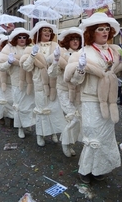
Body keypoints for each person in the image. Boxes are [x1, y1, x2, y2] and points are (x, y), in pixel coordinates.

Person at [64, 12, 122, 184]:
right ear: (92, 32)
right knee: (93, 135)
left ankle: (99, 168)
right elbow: (74, 81)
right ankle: (85, 170)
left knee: (106, 136)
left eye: (107, 29)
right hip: (90, 99)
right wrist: (80, 68)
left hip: (109, 100)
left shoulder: (115, 51)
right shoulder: (83, 52)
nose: (104, 32)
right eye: (100, 29)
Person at [22, 21, 67, 146]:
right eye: (44, 30)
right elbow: (26, 67)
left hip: (53, 81)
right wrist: (32, 55)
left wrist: (57, 59)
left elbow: (63, 64)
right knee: (41, 109)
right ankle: (40, 134)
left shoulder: (56, 46)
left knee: (54, 108)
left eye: (49, 30)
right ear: (39, 33)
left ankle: (53, 132)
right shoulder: (31, 48)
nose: (47, 32)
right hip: (39, 81)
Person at [48, 27, 83, 157]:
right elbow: (52, 73)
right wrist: (56, 61)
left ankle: (71, 143)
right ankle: (65, 142)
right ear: (67, 41)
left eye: (77, 39)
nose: (75, 42)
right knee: (73, 118)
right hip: (64, 91)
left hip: (79, 92)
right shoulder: (62, 53)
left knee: (80, 119)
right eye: (72, 39)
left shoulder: (83, 53)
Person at [0, 27, 36, 138]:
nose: (22, 39)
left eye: (24, 37)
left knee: (29, 105)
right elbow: (2, 67)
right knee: (19, 105)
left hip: (30, 81)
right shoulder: (9, 49)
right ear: (15, 38)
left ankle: (27, 123)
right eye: (19, 37)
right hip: (16, 81)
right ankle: (20, 127)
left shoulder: (30, 48)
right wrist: (10, 62)